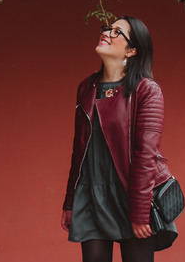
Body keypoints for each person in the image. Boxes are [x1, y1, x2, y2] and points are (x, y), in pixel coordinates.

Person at [60, 16, 176, 262]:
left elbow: (146, 156)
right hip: (91, 196)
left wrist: (140, 210)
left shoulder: (146, 91)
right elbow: (79, 150)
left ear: (132, 50)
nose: (107, 33)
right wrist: (70, 202)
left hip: (131, 194)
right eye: (107, 29)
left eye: (117, 32)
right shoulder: (86, 88)